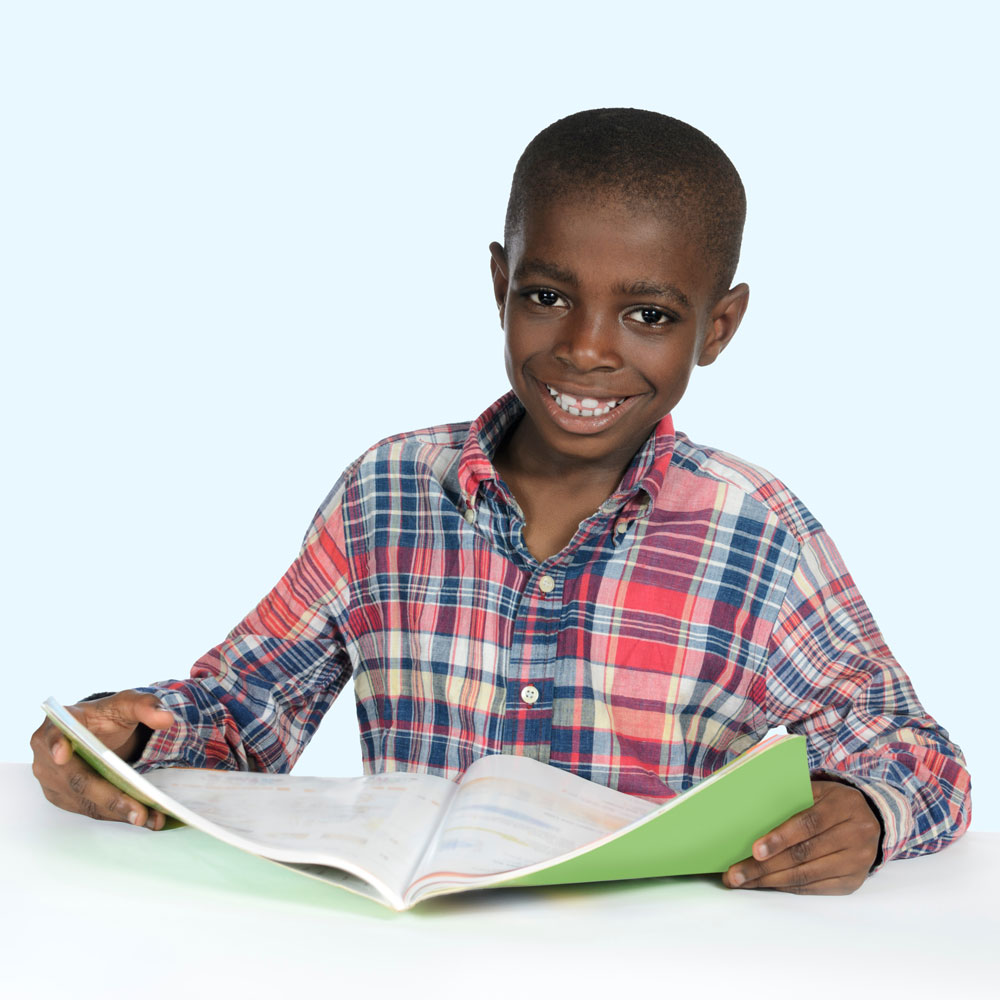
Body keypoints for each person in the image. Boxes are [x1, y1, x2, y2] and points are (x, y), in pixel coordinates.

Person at [30, 108, 971, 895]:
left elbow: (919, 756)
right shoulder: (387, 493)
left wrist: (866, 813)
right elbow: (245, 709)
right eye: (549, 295)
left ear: (717, 327)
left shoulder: (757, 534)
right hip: (408, 958)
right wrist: (123, 733)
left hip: (656, 961)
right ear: (499, 284)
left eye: (649, 315)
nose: (589, 349)